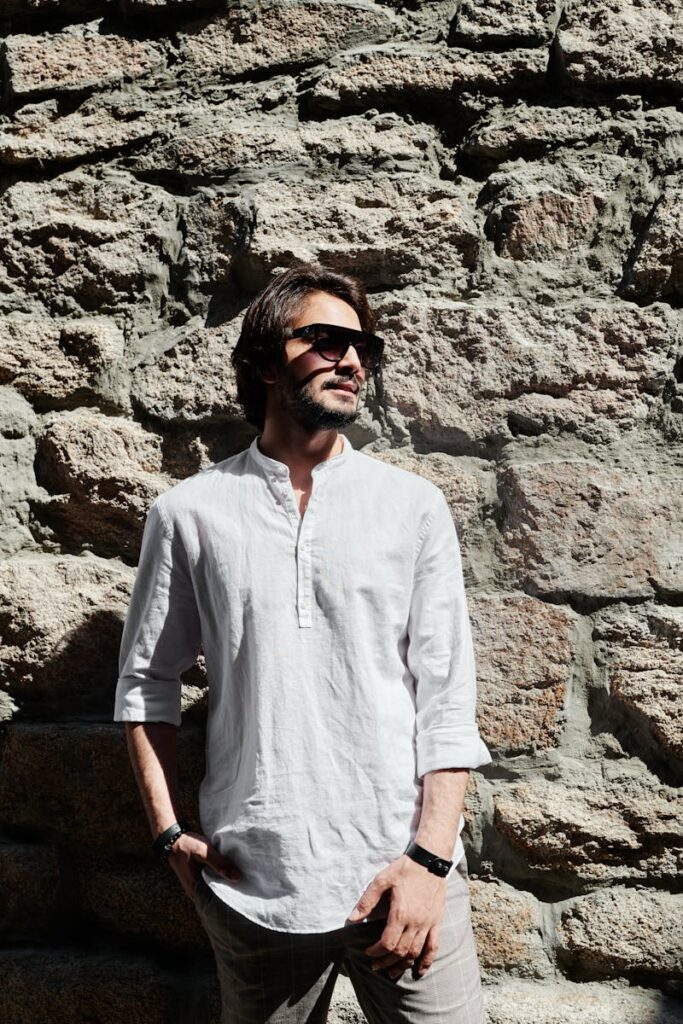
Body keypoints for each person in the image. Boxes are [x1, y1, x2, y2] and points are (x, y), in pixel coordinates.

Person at [114, 261, 493, 1023]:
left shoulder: (409, 507)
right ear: (261, 362)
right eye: (324, 341)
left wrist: (425, 861)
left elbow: (446, 698)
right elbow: (147, 682)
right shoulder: (191, 512)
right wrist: (167, 834)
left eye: (361, 349)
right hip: (253, 881)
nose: (351, 361)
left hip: (400, 874)